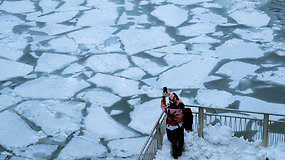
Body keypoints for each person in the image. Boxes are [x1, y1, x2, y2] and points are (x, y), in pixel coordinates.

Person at [161, 88, 185, 159]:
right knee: (180, 139)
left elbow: (162, 106)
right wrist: (170, 94)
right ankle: (180, 151)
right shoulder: (181, 106)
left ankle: (175, 155)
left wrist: (163, 96)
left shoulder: (168, 109)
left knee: (173, 142)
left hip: (171, 127)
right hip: (180, 125)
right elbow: (178, 100)